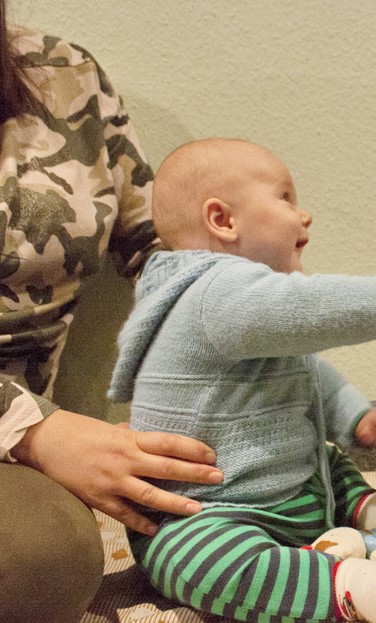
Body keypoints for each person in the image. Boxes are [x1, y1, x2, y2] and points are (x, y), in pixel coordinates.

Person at [106, 137, 376, 623]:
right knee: (194, 559)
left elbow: (310, 371)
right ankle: (338, 586)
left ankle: (365, 508)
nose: (305, 215)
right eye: (285, 198)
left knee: (325, 457)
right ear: (223, 220)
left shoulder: (240, 307)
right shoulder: (212, 291)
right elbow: (315, 307)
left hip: (289, 489)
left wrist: (357, 416)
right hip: (212, 513)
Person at [0, 8, 223, 623]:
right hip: (25, 429)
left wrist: (239, 315)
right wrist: (35, 430)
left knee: (46, 554)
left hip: (14, 449)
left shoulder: (65, 71)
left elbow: (157, 243)